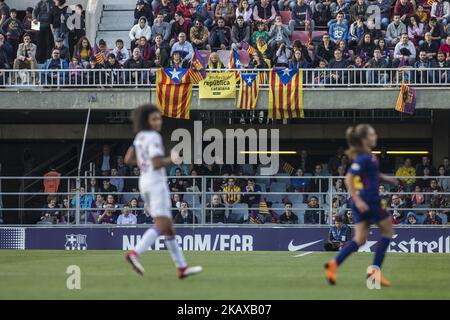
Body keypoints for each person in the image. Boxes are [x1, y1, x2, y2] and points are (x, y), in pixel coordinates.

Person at [124, 104, 202, 278]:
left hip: (144, 181)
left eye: (159, 118)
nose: (158, 121)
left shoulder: (140, 137)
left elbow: (128, 159)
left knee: (168, 228)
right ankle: (135, 253)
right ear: (147, 121)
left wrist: (143, 163)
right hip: (156, 182)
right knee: (161, 224)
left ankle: (182, 268)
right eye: (154, 119)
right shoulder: (153, 137)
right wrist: (172, 159)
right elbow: (157, 162)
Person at [324, 124, 399, 287]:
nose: (376, 136)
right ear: (365, 139)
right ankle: (374, 272)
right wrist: (358, 200)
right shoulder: (364, 157)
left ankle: (333, 265)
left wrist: (386, 178)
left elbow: (372, 174)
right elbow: (348, 178)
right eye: (373, 134)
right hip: (369, 200)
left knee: (360, 239)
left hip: (363, 201)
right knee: (387, 232)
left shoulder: (369, 156)